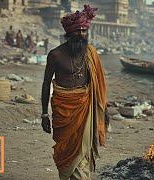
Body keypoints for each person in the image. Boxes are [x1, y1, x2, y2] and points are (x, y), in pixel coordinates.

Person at [41, 5, 108, 180]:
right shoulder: (55, 55)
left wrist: (103, 111)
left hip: (85, 107)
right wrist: (43, 114)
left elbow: (98, 86)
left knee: (83, 152)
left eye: (84, 31)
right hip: (62, 109)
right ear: (68, 33)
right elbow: (46, 83)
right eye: (77, 31)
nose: (81, 35)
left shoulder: (91, 53)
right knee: (65, 150)